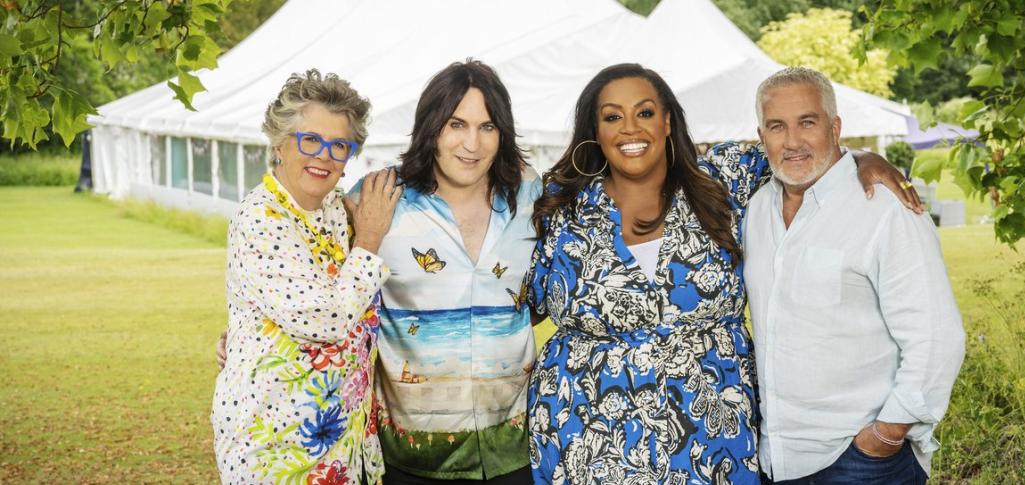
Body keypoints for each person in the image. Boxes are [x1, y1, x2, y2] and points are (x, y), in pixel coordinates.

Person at [523, 63, 920, 484]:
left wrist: (862, 157)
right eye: (612, 117)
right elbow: (521, 300)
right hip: (586, 437)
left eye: (644, 113)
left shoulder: (724, 179)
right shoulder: (561, 205)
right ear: (595, 129)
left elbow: (799, 150)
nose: (630, 129)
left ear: (668, 120)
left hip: (713, 440)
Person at [743, 67, 965, 484]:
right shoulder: (754, 210)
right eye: (777, 127)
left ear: (835, 127)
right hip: (775, 458)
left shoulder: (884, 208)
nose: (792, 141)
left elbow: (937, 336)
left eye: (807, 122)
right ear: (761, 136)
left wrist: (886, 434)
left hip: (862, 460)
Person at [348, 60, 540, 484]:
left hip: (515, 451)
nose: (472, 143)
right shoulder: (378, 197)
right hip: (412, 457)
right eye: (457, 124)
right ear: (431, 127)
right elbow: (326, 286)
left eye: (487, 127)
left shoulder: (532, 195)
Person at [211, 69, 401, 485]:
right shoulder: (262, 218)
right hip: (276, 446)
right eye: (310, 140)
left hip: (338, 440)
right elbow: (327, 322)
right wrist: (369, 239)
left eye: (339, 146)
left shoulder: (336, 210)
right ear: (280, 142)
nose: (324, 156)